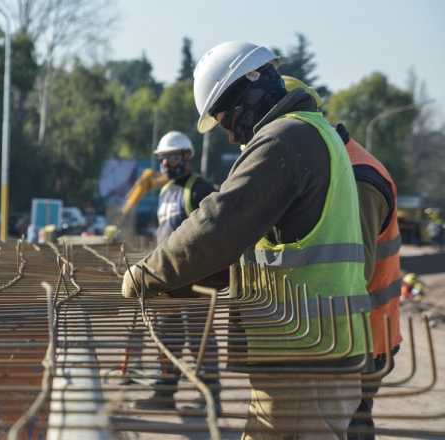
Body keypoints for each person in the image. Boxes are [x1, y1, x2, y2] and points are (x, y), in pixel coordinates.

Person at [121, 41, 370, 439]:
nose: (227, 130)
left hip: (304, 352)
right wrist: (185, 285)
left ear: (253, 87)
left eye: (225, 116)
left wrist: (146, 275)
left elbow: (219, 224)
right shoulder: (313, 133)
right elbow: (249, 249)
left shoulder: (284, 139)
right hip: (312, 346)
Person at [283, 76, 402, 440]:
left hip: (363, 337)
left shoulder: (358, 176)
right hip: (346, 331)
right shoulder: (336, 166)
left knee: (351, 428)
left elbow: (355, 266)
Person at [134, 131, 222, 411]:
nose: (165, 165)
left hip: (195, 281)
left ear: (187, 157)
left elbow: (213, 232)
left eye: (170, 158)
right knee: (166, 338)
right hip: (167, 280)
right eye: (161, 159)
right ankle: (165, 392)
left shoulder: (200, 189)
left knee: (200, 339)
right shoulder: (165, 191)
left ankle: (209, 396)